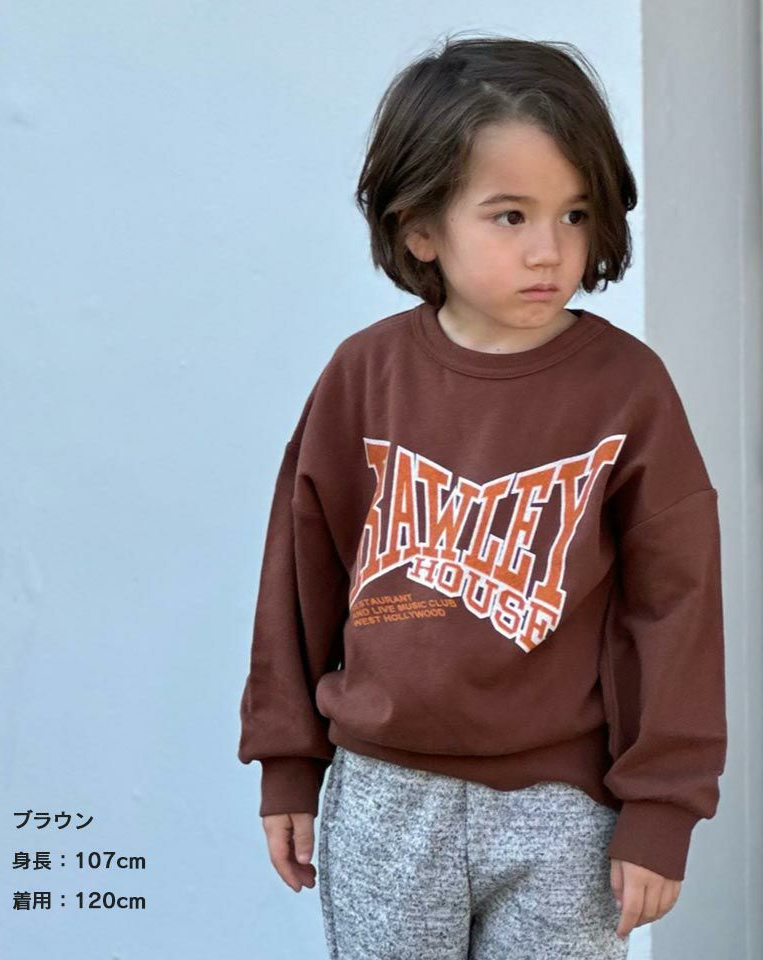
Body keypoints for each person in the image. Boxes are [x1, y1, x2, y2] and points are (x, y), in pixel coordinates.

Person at [237, 31, 727, 959]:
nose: (551, 249)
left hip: (564, 810)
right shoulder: (364, 377)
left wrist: (664, 803)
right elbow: (298, 579)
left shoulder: (629, 391)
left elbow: (676, 604)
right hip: (386, 797)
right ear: (422, 227)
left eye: (575, 213)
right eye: (510, 216)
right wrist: (288, 762)